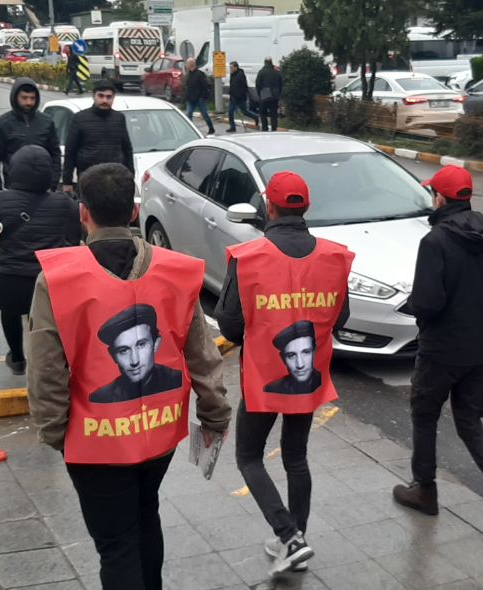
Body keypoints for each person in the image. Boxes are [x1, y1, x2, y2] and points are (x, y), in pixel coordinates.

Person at [27, 162, 232, 590]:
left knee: (116, 544)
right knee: (144, 515)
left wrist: (55, 431)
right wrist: (215, 414)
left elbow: (46, 366)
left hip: (93, 442)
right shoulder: (176, 270)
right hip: (159, 433)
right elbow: (201, 353)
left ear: (83, 212)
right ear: (134, 211)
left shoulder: (57, 279)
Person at [214, 171, 353, 576]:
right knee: (296, 456)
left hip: (262, 376)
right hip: (308, 378)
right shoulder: (333, 257)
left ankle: (289, 537)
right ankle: (297, 540)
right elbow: (341, 317)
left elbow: (229, 325)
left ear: (268, 207)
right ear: (306, 207)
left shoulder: (249, 256)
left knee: (248, 456)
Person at [390, 165, 483, 544]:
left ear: (440, 198)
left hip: (441, 349)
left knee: (424, 414)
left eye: (433, 194)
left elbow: (428, 302)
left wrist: (416, 307)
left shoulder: (435, 241)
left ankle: (424, 490)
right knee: (470, 422)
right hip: (481, 346)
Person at [0, 145, 80, 376]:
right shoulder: (65, 204)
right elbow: (73, 244)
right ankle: (53, 359)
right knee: (50, 314)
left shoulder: (2, 200)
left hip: (10, 286)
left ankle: (17, 357)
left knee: (9, 308)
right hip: (51, 284)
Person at [89, 304, 185, 403]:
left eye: (141, 345)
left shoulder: (177, 381)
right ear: (113, 356)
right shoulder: (101, 398)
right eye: (124, 350)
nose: (134, 361)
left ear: (156, 344)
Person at [0, 78, 61, 198]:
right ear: (15, 97)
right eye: (24, 98)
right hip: (14, 189)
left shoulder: (46, 122)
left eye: (32, 98)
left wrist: (53, 184)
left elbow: (55, 155)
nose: (28, 102)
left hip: (43, 190)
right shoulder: (2, 123)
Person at [61, 80, 134, 194]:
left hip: (115, 179)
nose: (104, 100)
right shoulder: (79, 118)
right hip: (88, 179)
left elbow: (127, 149)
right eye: (101, 96)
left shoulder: (119, 118)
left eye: (109, 97)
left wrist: (131, 175)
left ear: (113, 98)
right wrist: (67, 182)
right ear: (93, 96)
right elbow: (70, 151)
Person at [263, 321, 322, 394]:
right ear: (283, 359)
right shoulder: (272, 389)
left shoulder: (324, 382)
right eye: (291, 355)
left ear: (314, 352)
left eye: (306, 352)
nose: (300, 365)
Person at [183, 58, 216, 135]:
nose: (186, 65)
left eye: (187, 64)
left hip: (199, 99)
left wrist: (203, 97)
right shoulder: (188, 75)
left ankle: (211, 128)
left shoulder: (199, 74)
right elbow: (187, 86)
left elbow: (205, 86)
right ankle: (190, 131)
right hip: (190, 99)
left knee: (205, 114)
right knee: (189, 114)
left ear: (191, 64)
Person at [227, 61, 255, 133]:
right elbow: (232, 85)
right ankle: (232, 127)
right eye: (230, 68)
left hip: (240, 98)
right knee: (230, 112)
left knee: (245, 112)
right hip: (233, 97)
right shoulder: (232, 75)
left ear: (236, 67)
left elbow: (243, 87)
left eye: (231, 67)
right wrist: (230, 93)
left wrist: (238, 96)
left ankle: (256, 117)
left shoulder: (241, 75)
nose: (230, 69)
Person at [255, 57, 282, 132]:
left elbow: (257, 84)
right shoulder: (276, 72)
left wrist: (260, 94)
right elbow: (281, 84)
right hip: (275, 95)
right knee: (274, 113)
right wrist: (278, 94)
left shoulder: (261, 72)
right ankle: (274, 129)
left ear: (265, 62)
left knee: (263, 112)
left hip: (265, 93)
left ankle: (265, 128)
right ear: (271, 62)